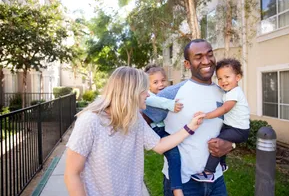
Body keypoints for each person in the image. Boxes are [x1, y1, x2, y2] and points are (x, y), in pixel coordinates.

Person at [64, 66, 205, 196]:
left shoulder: (134, 118)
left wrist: (190, 127)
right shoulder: (90, 121)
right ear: (131, 92)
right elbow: (72, 173)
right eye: (145, 90)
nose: (148, 95)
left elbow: (160, 145)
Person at [143, 39, 235, 196]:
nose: (206, 61)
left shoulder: (226, 94)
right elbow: (141, 123)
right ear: (187, 64)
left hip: (216, 179)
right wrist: (159, 145)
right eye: (198, 57)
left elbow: (236, 127)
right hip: (183, 183)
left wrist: (231, 144)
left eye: (209, 55)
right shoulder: (170, 94)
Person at [191, 58, 250, 182]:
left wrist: (206, 115)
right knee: (221, 138)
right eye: (220, 78)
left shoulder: (235, 93)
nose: (223, 81)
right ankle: (222, 164)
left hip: (238, 130)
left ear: (238, 77)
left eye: (227, 77)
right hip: (231, 126)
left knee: (217, 143)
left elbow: (224, 109)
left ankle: (208, 172)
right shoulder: (228, 92)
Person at [144, 64, 184, 196]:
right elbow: (155, 102)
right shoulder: (148, 95)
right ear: (148, 85)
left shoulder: (163, 94)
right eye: (155, 82)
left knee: (176, 154)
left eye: (163, 81)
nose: (160, 84)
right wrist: (171, 105)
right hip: (157, 131)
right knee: (174, 155)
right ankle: (176, 188)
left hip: (163, 129)